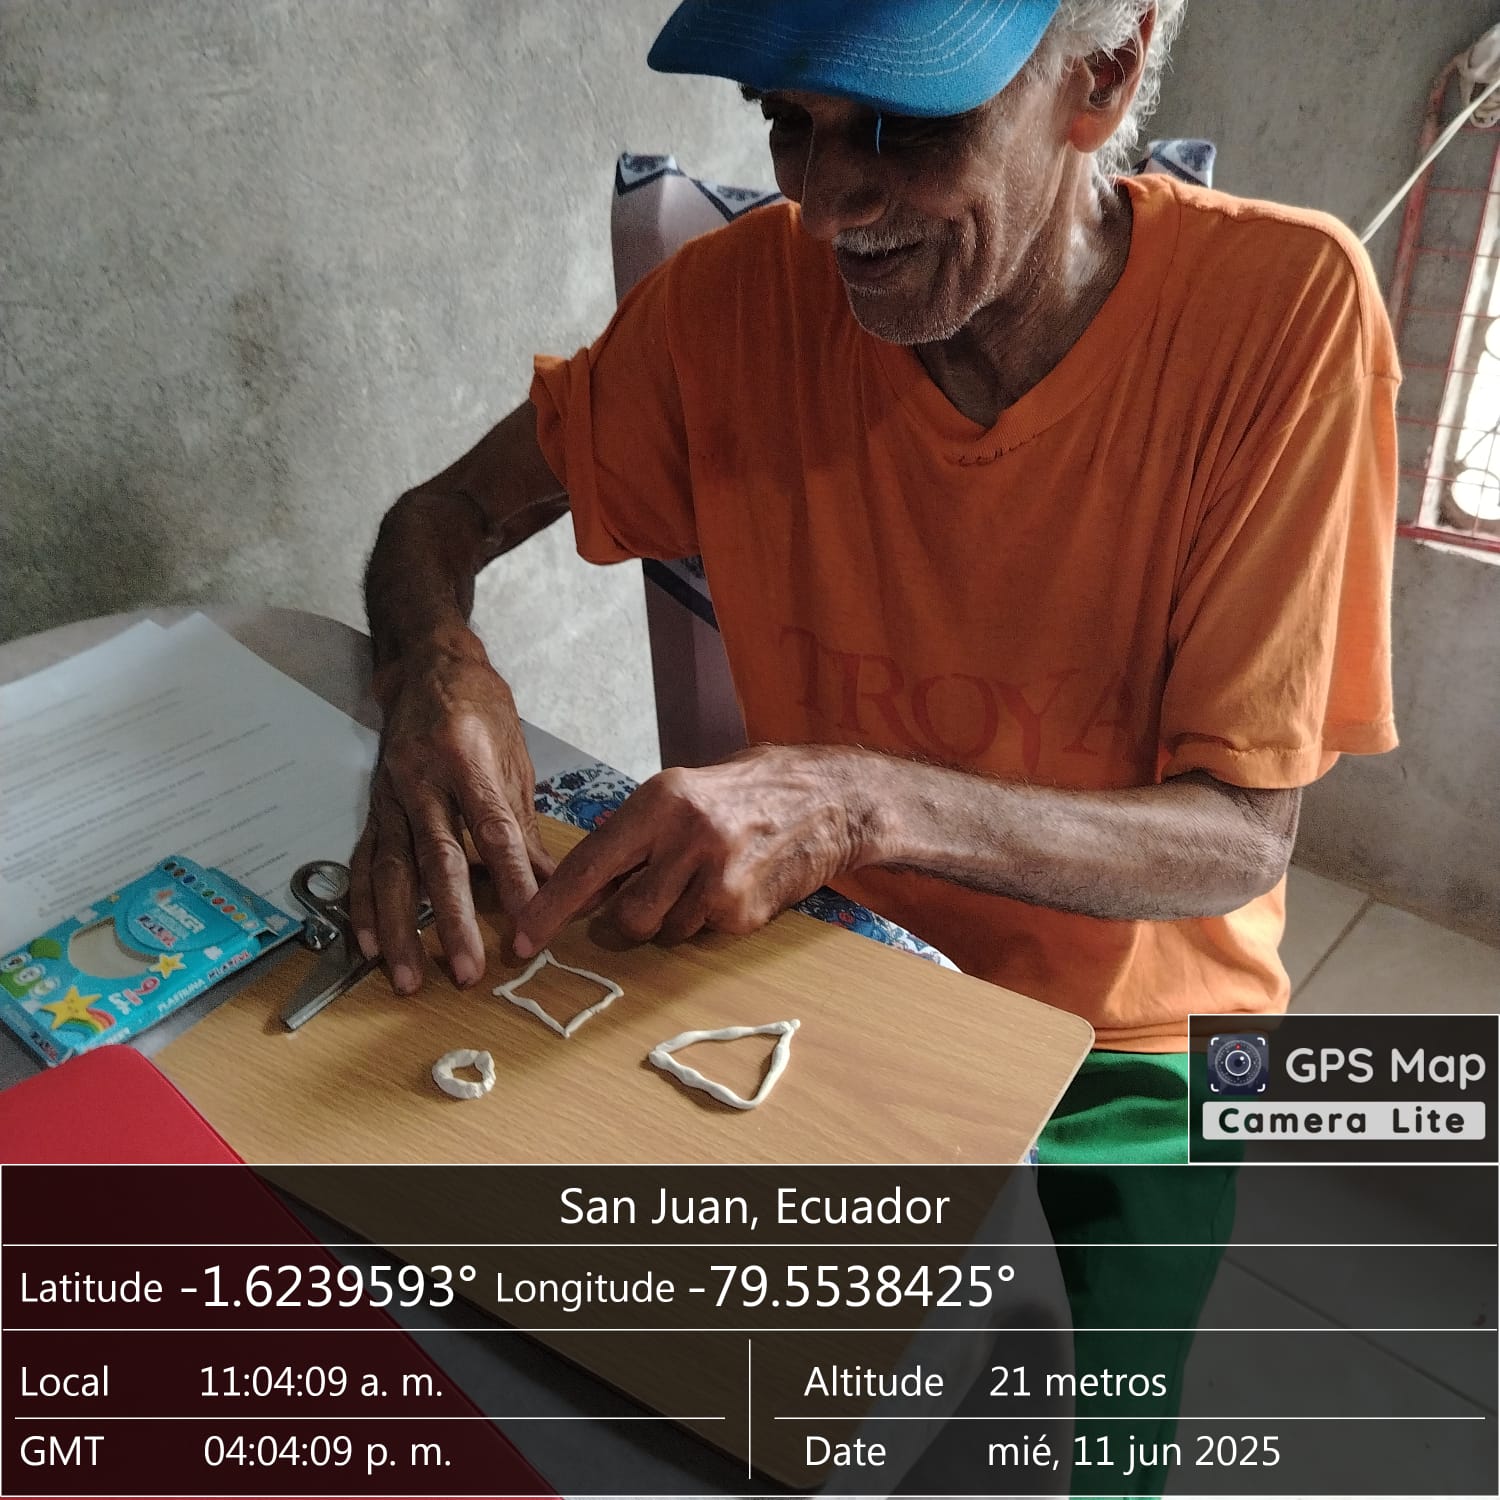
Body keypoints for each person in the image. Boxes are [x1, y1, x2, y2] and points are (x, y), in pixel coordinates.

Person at [357, 1, 1397, 1490]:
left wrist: (855, 803)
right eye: (790, 120)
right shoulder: (732, 313)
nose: (828, 199)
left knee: (1046, 1450)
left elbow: (1240, 835)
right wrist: (433, 661)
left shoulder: (1280, 315)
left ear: (1103, 75)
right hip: (816, 969)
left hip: (1129, 1052)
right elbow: (438, 518)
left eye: (908, 126)